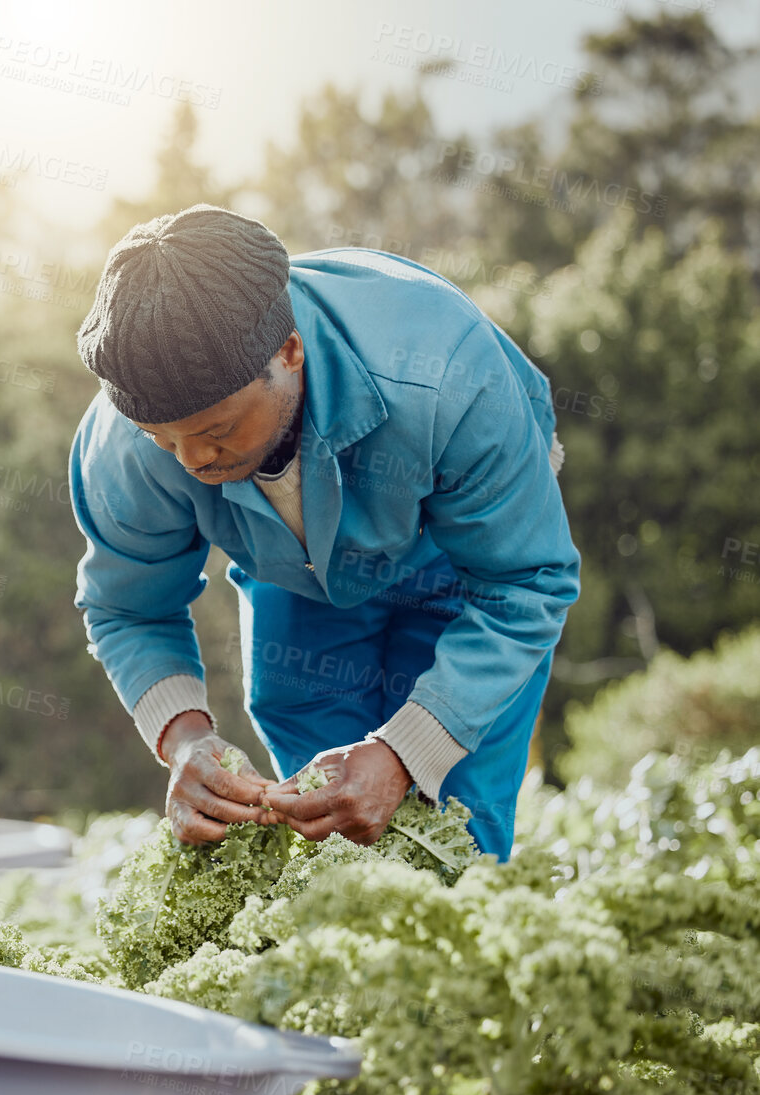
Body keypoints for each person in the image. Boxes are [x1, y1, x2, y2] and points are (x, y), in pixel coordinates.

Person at [69, 205, 578, 858]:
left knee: (450, 823)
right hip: (293, 570)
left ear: (288, 351)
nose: (193, 461)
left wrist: (403, 752)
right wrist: (186, 740)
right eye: (164, 442)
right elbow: (126, 608)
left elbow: (523, 582)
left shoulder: (443, 376)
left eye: (217, 432)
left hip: (459, 555)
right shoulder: (126, 446)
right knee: (327, 814)